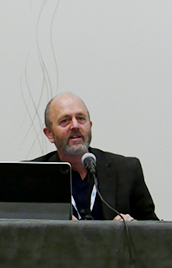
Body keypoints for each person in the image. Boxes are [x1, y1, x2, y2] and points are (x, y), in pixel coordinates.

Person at [30, 93, 158, 221]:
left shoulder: (126, 170)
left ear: (90, 126)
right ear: (49, 134)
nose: (75, 126)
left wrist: (131, 230)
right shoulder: (32, 176)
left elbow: (156, 232)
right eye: (65, 120)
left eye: (81, 118)